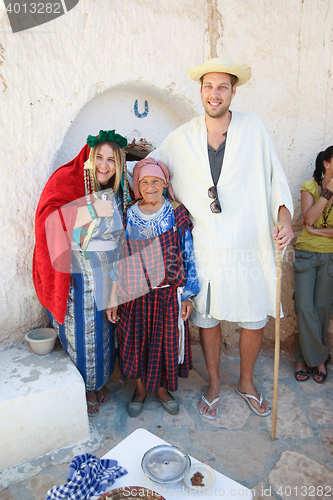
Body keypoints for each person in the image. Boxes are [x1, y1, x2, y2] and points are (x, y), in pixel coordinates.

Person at [128, 57, 294, 419]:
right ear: (200, 91)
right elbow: (149, 169)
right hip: (204, 246)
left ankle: (246, 382)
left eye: (222, 87)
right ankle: (215, 381)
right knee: (207, 317)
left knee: (253, 317)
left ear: (234, 91)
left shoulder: (254, 130)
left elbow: (275, 181)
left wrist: (284, 220)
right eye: (208, 87)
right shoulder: (183, 136)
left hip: (250, 244)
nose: (214, 94)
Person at [33, 129, 130, 416]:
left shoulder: (120, 188)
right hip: (73, 275)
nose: (104, 165)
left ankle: (98, 382)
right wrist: (90, 210)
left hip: (104, 275)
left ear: (120, 164)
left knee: (103, 333)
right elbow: (48, 221)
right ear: (89, 158)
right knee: (81, 335)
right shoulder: (68, 178)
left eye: (111, 160)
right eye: (99, 157)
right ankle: (84, 388)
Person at [106, 158, 199, 417]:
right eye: (144, 181)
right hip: (134, 295)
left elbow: (188, 254)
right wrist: (113, 296)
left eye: (155, 181)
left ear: (164, 183)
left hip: (168, 294)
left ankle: (161, 389)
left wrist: (188, 296)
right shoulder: (129, 216)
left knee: (164, 344)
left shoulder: (177, 213)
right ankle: (140, 390)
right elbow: (118, 258)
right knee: (136, 343)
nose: (150, 186)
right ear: (137, 185)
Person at [294, 146, 333, 383]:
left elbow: (311, 224)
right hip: (306, 254)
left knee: (322, 309)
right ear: (327, 164)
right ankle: (319, 359)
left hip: (329, 256)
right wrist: (327, 193)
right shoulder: (310, 187)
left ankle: (301, 359)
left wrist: (317, 230)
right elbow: (307, 217)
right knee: (304, 308)